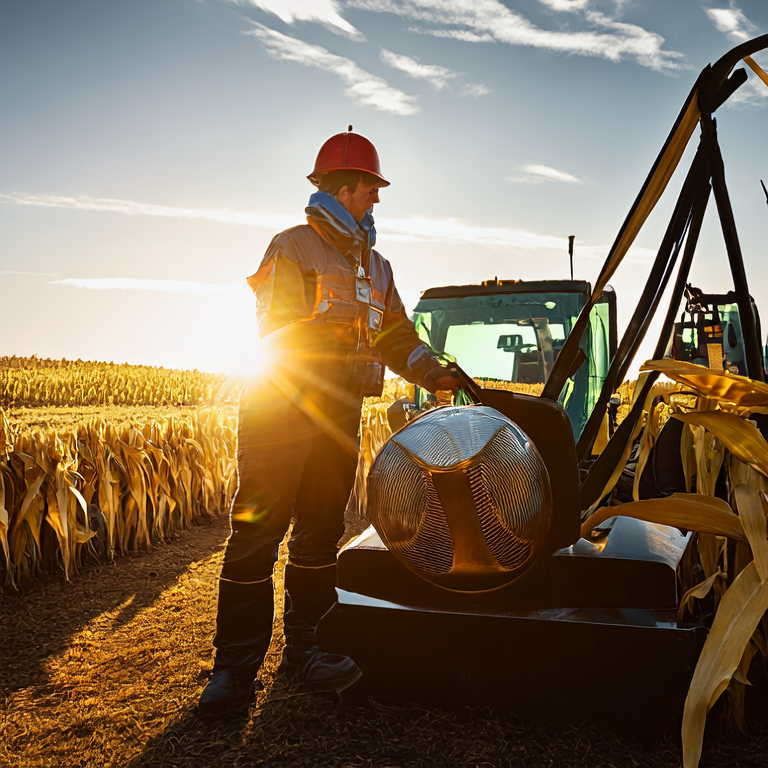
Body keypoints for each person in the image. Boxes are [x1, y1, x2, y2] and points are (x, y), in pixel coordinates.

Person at [198, 129, 460, 716]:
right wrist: (341, 340)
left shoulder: (381, 266)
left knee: (320, 534)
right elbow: (277, 329)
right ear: (344, 188)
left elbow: (398, 340)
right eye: (370, 188)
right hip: (279, 407)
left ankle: (307, 652)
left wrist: (435, 372)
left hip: (339, 412)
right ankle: (234, 670)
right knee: (256, 538)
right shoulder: (290, 246)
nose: (376, 200)